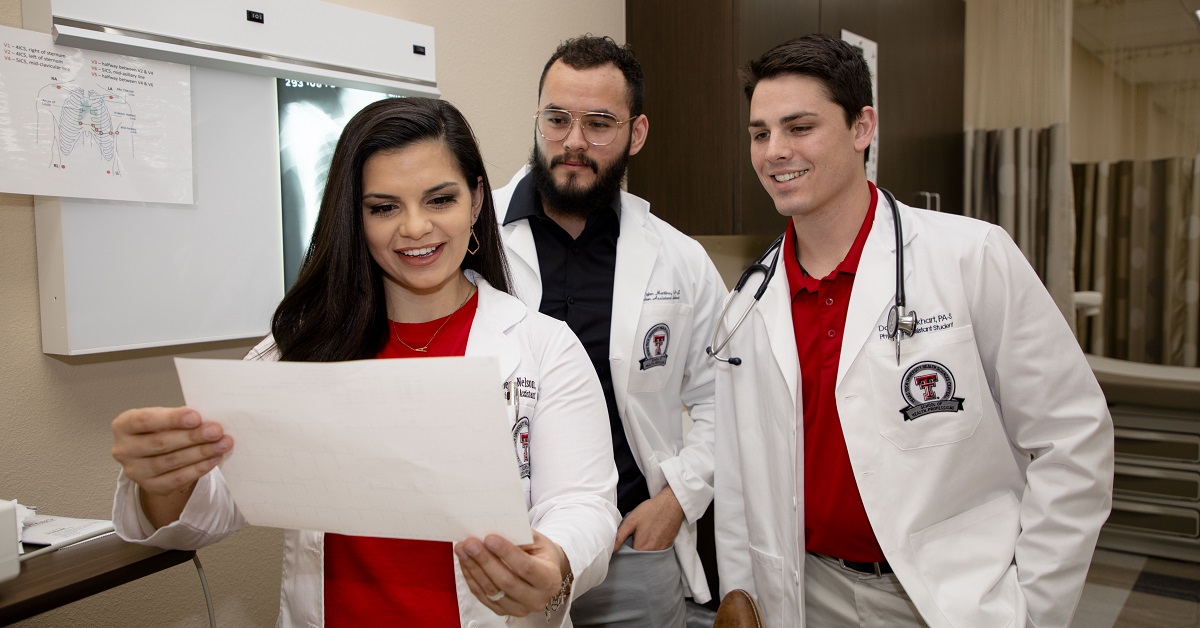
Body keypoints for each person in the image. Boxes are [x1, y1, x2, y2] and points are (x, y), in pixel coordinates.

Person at [110, 97, 620, 628]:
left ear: (474, 202)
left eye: (439, 199)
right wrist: (165, 480)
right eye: (384, 207)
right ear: (356, 217)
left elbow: (583, 504)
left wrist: (555, 559)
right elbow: (209, 515)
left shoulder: (544, 348)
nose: (415, 227)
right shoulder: (299, 351)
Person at [711, 34, 1114, 628]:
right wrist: (742, 598)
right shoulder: (748, 302)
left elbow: (1072, 436)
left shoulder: (971, 256)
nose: (775, 151)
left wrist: (1035, 607)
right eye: (760, 132)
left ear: (861, 127)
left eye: (799, 127)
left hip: (946, 599)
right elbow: (740, 477)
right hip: (803, 592)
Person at [492, 35, 727, 627]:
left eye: (600, 123)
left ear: (636, 134)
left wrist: (675, 501)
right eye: (557, 119)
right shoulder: (473, 239)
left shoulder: (679, 260)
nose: (574, 141)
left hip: (632, 552)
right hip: (500, 553)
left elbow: (729, 396)